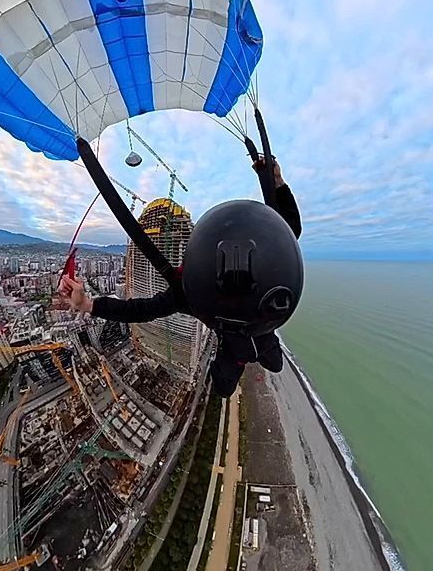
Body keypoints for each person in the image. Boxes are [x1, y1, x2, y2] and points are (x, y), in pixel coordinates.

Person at [59, 155, 303, 397]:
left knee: (262, 368)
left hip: (252, 334)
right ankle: (246, 357)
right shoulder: (194, 286)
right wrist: (277, 183)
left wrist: (88, 305)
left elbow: (141, 310)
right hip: (254, 331)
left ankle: (246, 357)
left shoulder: (190, 288)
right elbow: (289, 228)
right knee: (230, 383)